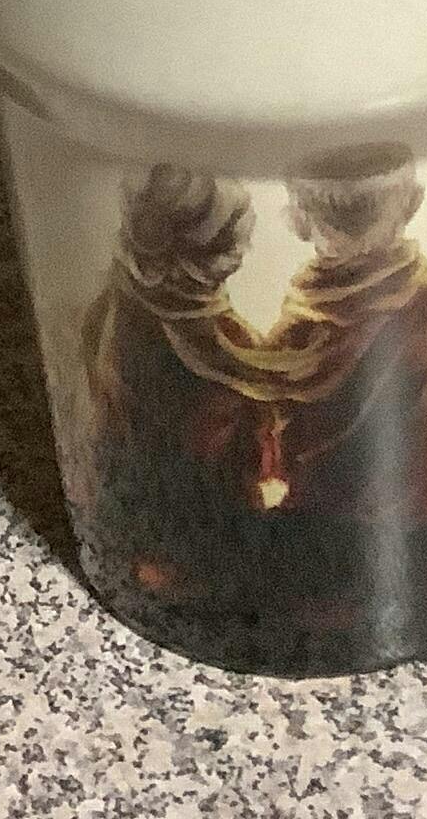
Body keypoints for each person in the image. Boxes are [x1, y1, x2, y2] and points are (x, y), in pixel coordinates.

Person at [243, 144, 427, 660]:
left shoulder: (301, 331)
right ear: (412, 204)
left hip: (331, 533)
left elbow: (273, 437)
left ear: (300, 221)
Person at [76, 164, 265, 619]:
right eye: (229, 244)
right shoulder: (224, 345)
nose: (238, 255)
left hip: (131, 516)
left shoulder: (112, 308)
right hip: (195, 535)